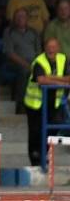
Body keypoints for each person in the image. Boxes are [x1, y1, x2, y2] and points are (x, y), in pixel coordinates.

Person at [23, 37, 69, 166]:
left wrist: (51, 78)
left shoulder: (63, 59)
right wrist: (60, 81)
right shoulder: (39, 61)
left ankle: (45, 153)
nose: (51, 49)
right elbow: (41, 80)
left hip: (54, 103)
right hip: (35, 104)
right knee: (35, 132)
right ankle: (35, 160)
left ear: (58, 48)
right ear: (44, 48)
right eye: (49, 46)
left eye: (54, 47)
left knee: (55, 127)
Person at [3, 8, 41, 114]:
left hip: (33, 62)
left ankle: (39, 106)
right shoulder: (9, 32)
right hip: (15, 63)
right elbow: (10, 53)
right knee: (24, 71)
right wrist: (27, 65)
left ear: (27, 18)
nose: (20, 19)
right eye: (18, 16)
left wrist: (36, 65)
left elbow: (39, 51)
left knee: (42, 72)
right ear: (14, 19)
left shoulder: (34, 32)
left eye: (23, 16)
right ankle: (21, 105)